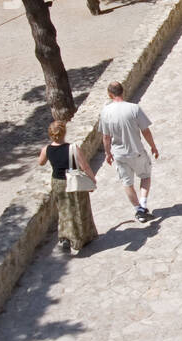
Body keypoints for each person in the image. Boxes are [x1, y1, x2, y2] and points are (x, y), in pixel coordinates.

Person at [99, 81, 159, 222]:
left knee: (127, 182)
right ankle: (143, 205)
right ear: (122, 91)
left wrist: (108, 153)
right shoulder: (134, 108)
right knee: (145, 176)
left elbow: (106, 137)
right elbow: (145, 131)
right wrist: (153, 146)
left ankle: (138, 209)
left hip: (119, 154)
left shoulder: (105, 112)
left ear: (110, 94)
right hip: (136, 150)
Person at [38, 121, 98, 255]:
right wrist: (92, 180)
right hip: (73, 181)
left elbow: (41, 163)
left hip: (58, 182)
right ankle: (82, 237)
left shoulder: (47, 149)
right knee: (79, 208)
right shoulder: (73, 148)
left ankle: (65, 238)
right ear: (64, 133)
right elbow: (85, 167)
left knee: (64, 210)